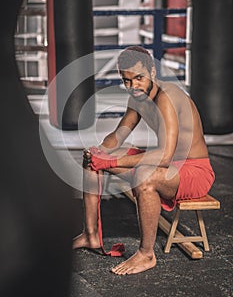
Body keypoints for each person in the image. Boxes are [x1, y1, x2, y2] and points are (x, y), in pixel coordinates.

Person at [73, 46, 215, 275]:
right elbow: (118, 136)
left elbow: (164, 156)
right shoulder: (137, 98)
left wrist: (109, 163)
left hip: (194, 171)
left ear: (152, 71)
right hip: (169, 168)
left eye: (138, 78)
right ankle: (91, 235)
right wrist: (99, 153)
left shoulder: (167, 97)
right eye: (126, 80)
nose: (132, 86)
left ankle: (147, 254)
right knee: (93, 160)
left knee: (144, 177)